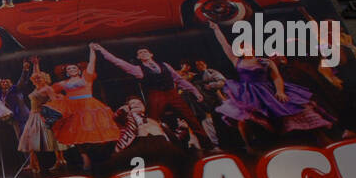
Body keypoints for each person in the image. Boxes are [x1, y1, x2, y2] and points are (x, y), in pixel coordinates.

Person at [206, 20, 335, 149]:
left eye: (248, 46)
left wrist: (280, 91)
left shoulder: (265, 61)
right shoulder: (237, 61)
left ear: (253, 48)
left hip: (267, 90)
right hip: (248, 93)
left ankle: (318, 138)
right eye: (243, 47)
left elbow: (276, 77)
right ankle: (251, 146)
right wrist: (216, 29)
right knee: (246, 119)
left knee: (296, 109)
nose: (246, 48)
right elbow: (224, 45)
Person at [90, 41, 216, 150]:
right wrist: (102, 50)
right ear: (138, 57)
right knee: (152, 121)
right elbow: (117, 61)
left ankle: (208, 146)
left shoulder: (165, 65)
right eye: (140, 53)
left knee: (191, 118)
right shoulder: (138, 69)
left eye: (145, 51)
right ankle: (155, 147)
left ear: (151, 54)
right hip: (156, 95)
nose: (143, 53)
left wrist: (195, 91)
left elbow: (179, 79)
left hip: (172, 93)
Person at [48, 49, 122, 170]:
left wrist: (92, 50)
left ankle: (105, 157)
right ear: (66, 72)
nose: (71, 70)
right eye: (69, 69)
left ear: (78, 70)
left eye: (73, 68)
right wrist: (60, 99)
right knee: (78, 136)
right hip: (73, 109)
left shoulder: (86, 78)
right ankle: (85, 158)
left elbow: (92, 63)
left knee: (96, 133)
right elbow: (50, 91)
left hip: (89, 107)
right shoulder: (63, 83)